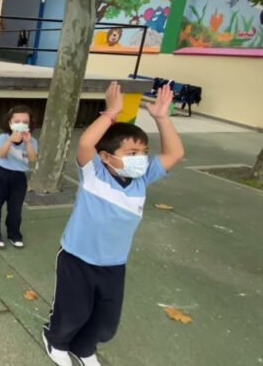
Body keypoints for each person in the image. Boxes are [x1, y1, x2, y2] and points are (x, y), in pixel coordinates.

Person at [42, 82, 184, 366]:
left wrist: (162, 118)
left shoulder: (142, 180)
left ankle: (84, 347)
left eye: (143, 152)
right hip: (77, 258)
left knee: (106, 319)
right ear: (106, 157)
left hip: (113, 264)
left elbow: (174, 154)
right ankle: (56, 340)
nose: (140, 159)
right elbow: (85, 144)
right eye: (132, 153)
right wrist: (111, 113)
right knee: (73, 311)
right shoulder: (95, 173)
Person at [0, 105, 37, 248]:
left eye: (25, 122)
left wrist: (27, 143)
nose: (21, 124)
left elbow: (32, 158)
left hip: (19, 177)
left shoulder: (32, 142)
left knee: (16, 208)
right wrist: (10, 141)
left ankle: (14, 234)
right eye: (17, 121)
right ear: (10, 122)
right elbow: (1, 154)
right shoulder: (3, 137)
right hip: (1, 174)